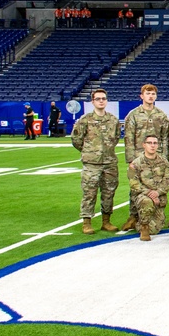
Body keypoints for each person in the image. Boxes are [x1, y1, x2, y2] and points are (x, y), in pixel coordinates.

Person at [120, 84, 169, 232]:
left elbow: (165, 138)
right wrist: (130, 159)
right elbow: (128, 138)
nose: (150, 96)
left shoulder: (161, 115)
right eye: (147, 93)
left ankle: (153, 214)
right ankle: (133, 216)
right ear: (141, 96)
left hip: (157, 159)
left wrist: (165, 157)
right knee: (135, 187)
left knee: (156, 184)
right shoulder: (133, 115)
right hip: (138, 158)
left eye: (153, 94)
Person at [72, 89, 121, 234]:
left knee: (109, 192)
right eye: (98, 99)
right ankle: (86, 222)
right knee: (89, 192)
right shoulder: (85, 120)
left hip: (109, 162)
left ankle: (106, 221)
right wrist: (89, 151)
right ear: (92, 101)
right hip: (92, 163)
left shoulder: (113, 120)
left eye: (103, 98)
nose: (101, 101)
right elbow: (76, 140)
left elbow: (116, 138)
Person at [127, 135, 169, 242]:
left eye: (155, 143)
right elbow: (134, 184)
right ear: (144, 145)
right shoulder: (135, 164)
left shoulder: (164, 162)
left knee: (155, 229)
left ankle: (136, 222)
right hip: (143, 197)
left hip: (159, 198)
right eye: (149, 143)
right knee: (146, 201)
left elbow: (168, 180)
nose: (152, 146)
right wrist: (149, 193)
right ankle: (144, 227)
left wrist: (157, 193)